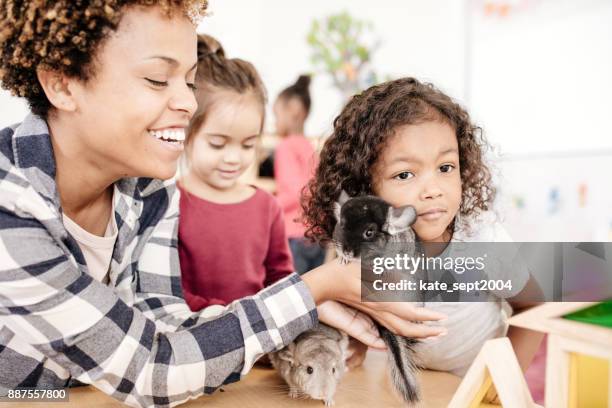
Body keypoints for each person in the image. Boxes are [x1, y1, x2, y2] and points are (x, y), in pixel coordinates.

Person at [0, 3, 447, 407]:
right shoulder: (10, 205)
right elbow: (155, 368)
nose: (188, 103)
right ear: (61, 82)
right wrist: (314, 290)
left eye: (190, 82)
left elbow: (168, 326)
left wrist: (303, 313)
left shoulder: (148, 192)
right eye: (158, 79)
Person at [303, 77, 544, 376]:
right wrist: (355, 341)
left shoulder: (482, 239)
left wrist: (500, 385)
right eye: (405, 175)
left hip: (472, 384)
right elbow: (352, 305)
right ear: (366, 189)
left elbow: (533, 307)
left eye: (445, 168)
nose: (433, 190)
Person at [178, 34, 293, 312]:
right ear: (187, 132)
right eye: (217, 144)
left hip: (258, 344)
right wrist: (230, 319)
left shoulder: (266, 207)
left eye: (247, 145)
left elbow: (282, 281)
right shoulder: (169, 203)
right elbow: (167, 293)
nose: (233, 158)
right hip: (190, 340)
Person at [273, 75, 325, 274]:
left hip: (294, 236)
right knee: (312, 295)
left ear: (294, 111)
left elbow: (296, 191)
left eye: (277, 115)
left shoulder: (285, 146)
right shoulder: (310, 148)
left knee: (291, 296)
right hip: (317, 236)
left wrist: (268, 205)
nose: (275, 122)